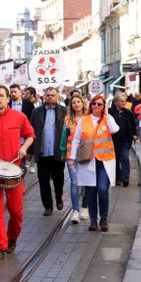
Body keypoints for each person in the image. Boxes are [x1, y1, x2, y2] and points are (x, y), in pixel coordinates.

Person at [0, 85, 35, 260]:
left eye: (1, 96)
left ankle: (12, 237)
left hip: (14, 170)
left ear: (8, 98)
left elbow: (30, 135)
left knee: (16, 210)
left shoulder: (19, 117)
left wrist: (24, 147)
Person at [68, 94, 119, 232]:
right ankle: (93, 220)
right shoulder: (84, 120)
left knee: (102, 189)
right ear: (90, 105)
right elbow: (76, 140)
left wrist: (107, 115)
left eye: (100, 104)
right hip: (87, 161)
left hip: (105, 161)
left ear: (104, 106)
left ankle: (103, 218)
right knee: (90, 192)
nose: (96, 106)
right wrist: (72, 158)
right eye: (94, 104)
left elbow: (115, 129)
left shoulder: (108, 119)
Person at [30, 87, 67, 216]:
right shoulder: (36, 112)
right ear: (44, 97)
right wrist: (30, 151)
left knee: (59, 179)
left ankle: (59, 197)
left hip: (58, 152)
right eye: (48, 95)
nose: (50, 97)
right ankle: (48, 206)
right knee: (43, 181)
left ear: (57, 97)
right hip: (42, 152)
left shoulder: (64, 111)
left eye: (53, 95)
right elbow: (31, 131)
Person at [60, 94, 88, 223]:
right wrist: (62, 152)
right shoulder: (68, 120)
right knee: (75, 183)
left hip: (87, 155)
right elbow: (63, 138)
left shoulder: (89, 118)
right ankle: (75, 211)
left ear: (83, 103)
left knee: (86, 183)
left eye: (78, 102)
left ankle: (85, 207)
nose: (76, 104)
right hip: (71, 155)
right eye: (74, 102)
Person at [109, 93, 138, 187]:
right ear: (116, 102)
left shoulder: (128, 112)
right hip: (113, 141)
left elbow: (133, 124)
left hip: (126, 140)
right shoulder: (110, 112)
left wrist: (134, 134)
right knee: (116, 160)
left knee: (124, 157)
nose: (123, 103)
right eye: (121, 101)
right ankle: (117, 178)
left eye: (124, 101)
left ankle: (125, 178)